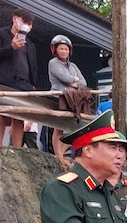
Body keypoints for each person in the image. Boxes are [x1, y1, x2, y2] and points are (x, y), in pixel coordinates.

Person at [0, 8, 37, 147]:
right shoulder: (0, 33)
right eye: (24, 21)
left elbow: (33, 66)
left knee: (19, 115)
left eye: (30, 23)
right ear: (15, 19)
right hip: (4, 79)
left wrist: (33, 84)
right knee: (1, 112)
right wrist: (11, 47)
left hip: (24, 83)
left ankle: (17, 148)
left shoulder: (30, 44)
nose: (27, 25)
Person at [48, 34, 87, 167]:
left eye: (66, 49)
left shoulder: (73, 66)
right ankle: (58, 156)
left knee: (73, 129)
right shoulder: (53, 63)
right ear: (55, 50)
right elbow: (64, 78)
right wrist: (74, 80)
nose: (64, 51)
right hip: (58, 98)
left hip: (73, 100)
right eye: (61, 49)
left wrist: (74, 82)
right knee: (58, 127)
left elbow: (83, 82)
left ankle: (61, 154)